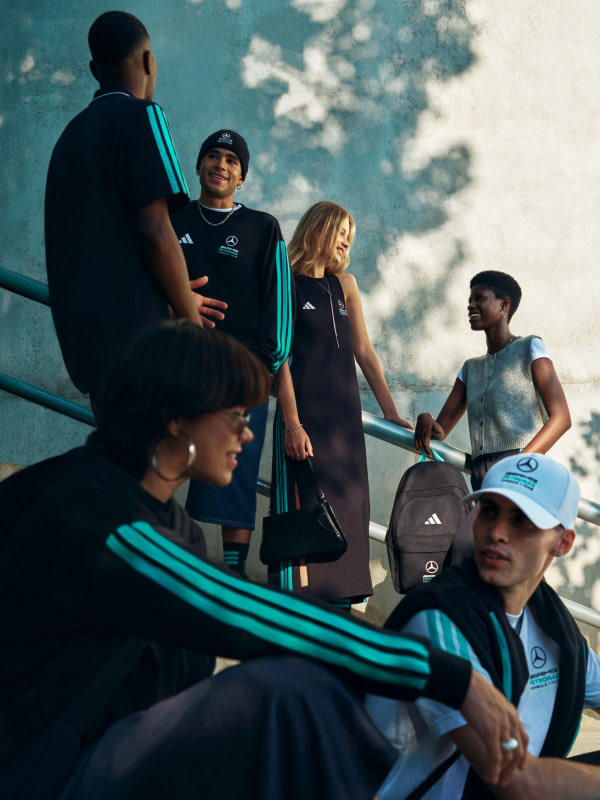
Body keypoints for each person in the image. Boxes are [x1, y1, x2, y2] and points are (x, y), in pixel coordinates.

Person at [0, 321, 527, 800]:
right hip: (39, 772)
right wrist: (447, 675)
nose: (248, 433)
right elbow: (237, 611)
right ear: (176, 418)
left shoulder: (175, 529)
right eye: (235, 415)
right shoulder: (87, 509)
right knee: (286, 694)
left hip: (101, 761)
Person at [367, 453, 600, 800]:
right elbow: (517, 783)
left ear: (563, 543)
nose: (497, 533)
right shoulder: (440, 618)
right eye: (489, 511)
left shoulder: (554, 624)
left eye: (522, 520)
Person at [44, 11, 225, 408]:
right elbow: (154, 228)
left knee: (119, 465)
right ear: (148, 62)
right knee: (157, 466)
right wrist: (194, 333)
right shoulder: (143, 115)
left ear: (94, 69)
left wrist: (167, 295)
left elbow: (93, 243)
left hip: (88, 350)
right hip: (143, 342)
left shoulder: (67, 139)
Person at [269, 201, 413, 607]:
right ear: (319, 228)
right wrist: (292, 424)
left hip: (346, 429)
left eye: (351, 232)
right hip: (305, 424)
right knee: (306, 521)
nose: (347, 238)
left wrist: (389, 411)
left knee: (348, 517)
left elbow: (364, 352)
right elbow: (279, 358)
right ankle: (300, 614)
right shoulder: (285, 283)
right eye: (341, 229)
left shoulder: (345, 285)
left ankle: (341, 610)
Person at [171, 129, 293, 573]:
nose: (220, 165)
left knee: (234, 471)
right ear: (199, 165)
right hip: (179, 362)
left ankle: (232, 573)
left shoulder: (262, 227)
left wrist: (262, 366)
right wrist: (174, 300)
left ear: (241, 177)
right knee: (165, 454)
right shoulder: (174, 219)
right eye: (213, 156)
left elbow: (279, 306)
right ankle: (156, 553)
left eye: (231, 161)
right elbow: (140, 281)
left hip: (240, 372)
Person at [414, 271, 571, 490]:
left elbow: (562, 418)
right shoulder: (470, 368)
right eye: (469, 300)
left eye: (479, 298)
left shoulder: (530, 347)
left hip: (522, 472)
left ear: (504, 305)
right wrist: (426, 418)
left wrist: (518, 465)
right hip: (481, 476)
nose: (470, 305)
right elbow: (440, 431)